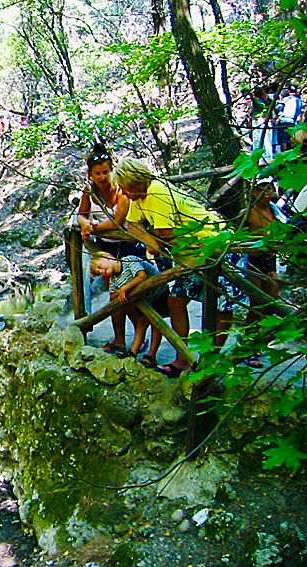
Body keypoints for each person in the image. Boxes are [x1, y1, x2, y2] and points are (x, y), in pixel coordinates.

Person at [112, 158, 244, 378]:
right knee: (176, 300)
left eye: (125, 188)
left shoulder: (156, 192)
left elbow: (167, 234)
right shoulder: (139, 198)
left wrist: (153, 240)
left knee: (221, 304)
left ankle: (210, 360)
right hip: (189, 256)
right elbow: (131, 224)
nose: (124, 194)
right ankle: (183, 358)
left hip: (213, 247)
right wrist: (150, 241)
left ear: (135, 182)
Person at [75, 143, 140, 353]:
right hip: (105, 248)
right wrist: (85, 224)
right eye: (97, 173)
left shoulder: (121, 188)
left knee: (130, 295)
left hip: (128, 245)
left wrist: (93, 227)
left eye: (105, 172)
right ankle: (120, 339)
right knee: (114, 293)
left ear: (112, 169)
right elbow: (82, 213)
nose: (102, 177)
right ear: (90, 174)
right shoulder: (89, 190)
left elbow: (119, 221)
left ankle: (140, 334)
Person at [90, 252, 167, 368]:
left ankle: (151, 355)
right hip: (145, 298)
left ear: (107, 257)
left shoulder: (129, 260)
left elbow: (142, 276)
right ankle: (133, 353)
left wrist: (124, 289)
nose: (101, 272)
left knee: (156, 324)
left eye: (99, 267)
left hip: (159, 292)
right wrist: (118, 293)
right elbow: (113, 295)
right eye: (98, 273)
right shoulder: (114, 279)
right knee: (142, 322)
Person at [243, 177, 288, 366]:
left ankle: (258, 340)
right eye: (263, 189)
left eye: (270, 188)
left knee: (270, 303)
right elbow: (237, 237)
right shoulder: (247, 213)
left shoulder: (275, 211)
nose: (268, 192)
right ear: (254, 191)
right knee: (257, 303)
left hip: (270, 261)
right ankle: (247, 348)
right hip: (252, 261)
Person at [276, 85, 303, 152]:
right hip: (293, 122)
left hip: (283, 121)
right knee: (291, 139)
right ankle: (290, 155)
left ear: (288, 91)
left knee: (283, 140)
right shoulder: (299, 101)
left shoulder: (285, 99)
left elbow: (278, 109)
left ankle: (284, 154)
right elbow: (299, 111)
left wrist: (278, 116)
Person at [249, 87, 273, 160]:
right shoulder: (266, 102)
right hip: (265, 121)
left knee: (257, 139)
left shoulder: (256, 102)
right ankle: (268, 156)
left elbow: (251, 112)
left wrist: (251, 117)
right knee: (266, 139)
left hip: (257, 121)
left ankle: (258, 157)